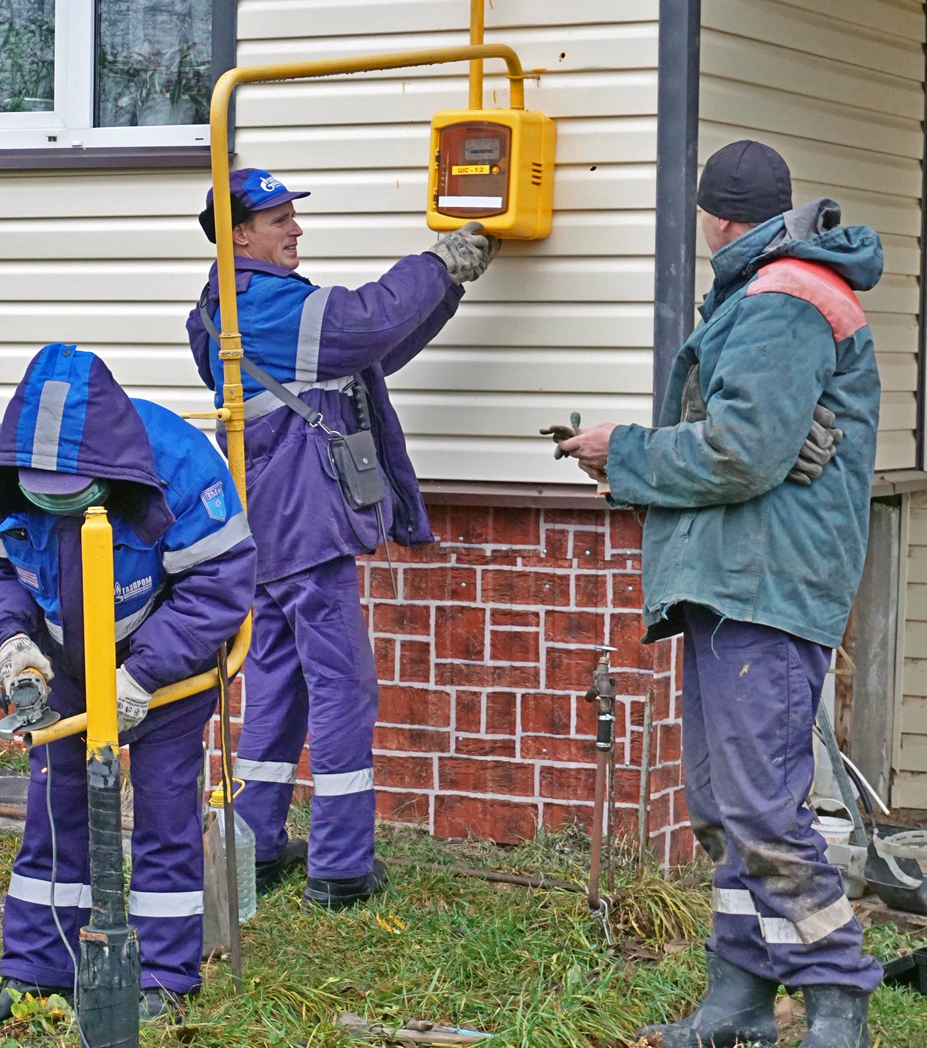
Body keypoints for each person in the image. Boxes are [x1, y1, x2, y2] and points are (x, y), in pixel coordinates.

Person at [555, 141, 883, 1048]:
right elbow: (748, 445)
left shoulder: (781, 301)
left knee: (762, 809)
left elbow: (742, 453)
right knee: (726, 809)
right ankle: (737, 1002)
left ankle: (837, 998)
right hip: (735, 580)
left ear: (713, 218)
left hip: (764, 586)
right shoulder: (766, 291)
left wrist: (622, 451)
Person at [186, 168, 499, 909]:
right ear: (238, 237)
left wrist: (447, 287)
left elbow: (372, 351)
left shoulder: (235, 305)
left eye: (293, 217)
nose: (295, 230)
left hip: (270, 525)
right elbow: (365, 322)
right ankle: (341, 868)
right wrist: (437, 263)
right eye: (278, 220)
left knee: (278, 690)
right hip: (305, 531)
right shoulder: (257, 304)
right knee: (343, 691)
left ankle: (257, 845)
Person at [0, 343, 256, 1026]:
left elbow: (221, 584)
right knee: (54, 809)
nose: (56, 508)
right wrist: (13, 640)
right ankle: (38, 972)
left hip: (164, 662)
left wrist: (144, 674)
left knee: (166, 810)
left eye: (74, 497)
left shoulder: (181, 470)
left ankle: (162, 979)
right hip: (60, 659)